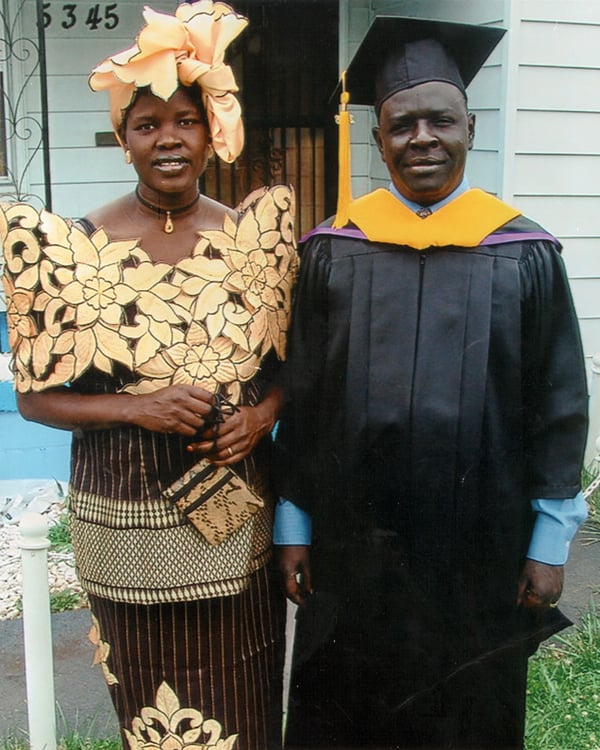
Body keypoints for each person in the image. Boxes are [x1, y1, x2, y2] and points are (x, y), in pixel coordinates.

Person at [273, 16, 589, 750]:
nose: (422, 137)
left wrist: (548, 543)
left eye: (440, 120)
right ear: (378, 138)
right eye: (401, 123)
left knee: (469, 714)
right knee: (345, 710)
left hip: (483, 546)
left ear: (470, 128)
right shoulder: (332, 251)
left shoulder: (525, 251)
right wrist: (294, 528)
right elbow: (305, 398)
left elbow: (561, 404)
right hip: (353, 551)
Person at [1, 3, 297, 749]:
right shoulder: (74, 251)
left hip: (235, 510)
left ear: (210, 135)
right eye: (147, 124)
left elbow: (295, 367)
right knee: (150, 705)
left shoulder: (254, 240)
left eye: (186, 121)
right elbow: (35, 401)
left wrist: (262, 416)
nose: (169, 137)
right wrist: (140, 409)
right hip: (122, 515)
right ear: (125, 141)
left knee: (246, 690)